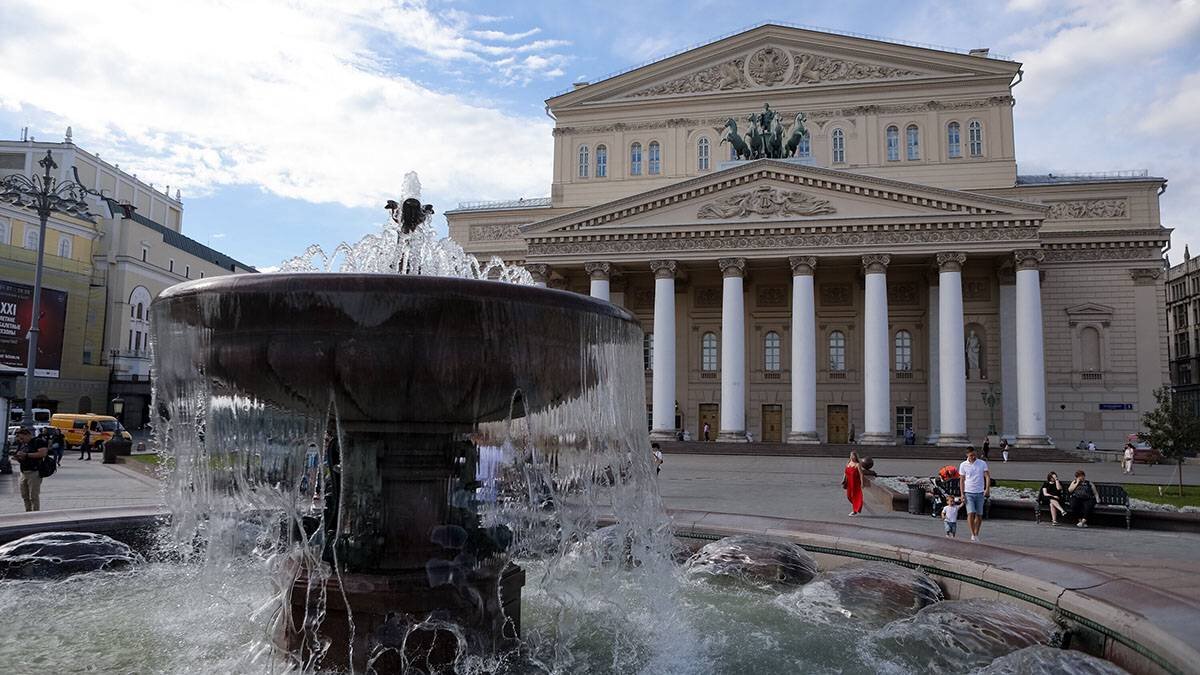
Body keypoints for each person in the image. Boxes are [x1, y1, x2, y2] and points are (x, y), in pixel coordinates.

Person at [11, 427, 48, 512]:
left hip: (34, 472)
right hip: (23, 472)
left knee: (33, 496)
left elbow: (43, 453)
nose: (21, 440)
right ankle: (27, 512)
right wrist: (17, 457)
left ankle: (35, 514)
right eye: (19, 439)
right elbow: (21, 455)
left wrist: (26, 455)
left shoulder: (38, 441)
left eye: (22, 438)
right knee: (24, 495)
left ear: (28, 435)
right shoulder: (22, 444)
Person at [958, 446, 990, 542]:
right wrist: (962, 494)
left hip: (980, 492)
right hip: (969, 492)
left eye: (974, 455)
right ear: (967, 455)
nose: (973, 457)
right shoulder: (963, 465)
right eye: (971, 455)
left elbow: (987, 476)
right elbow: (962, 480)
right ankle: (972, 533)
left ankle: (976, 533)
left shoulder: (982, 463)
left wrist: (987, 488)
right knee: (971, 512)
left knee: (979, 515)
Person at [843, 451, 864, 516]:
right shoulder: (848, 463)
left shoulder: (857, 464)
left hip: (856, 483)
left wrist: (862, 483)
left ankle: (855, 510)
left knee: (855, 496)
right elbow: (845, 472)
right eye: (851, 455)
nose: (852, 457)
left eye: (853, 456)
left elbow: (861, 474)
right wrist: (843, 480)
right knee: (849, 496)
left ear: (856, 457)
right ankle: (857, 505)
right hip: (849, 482)